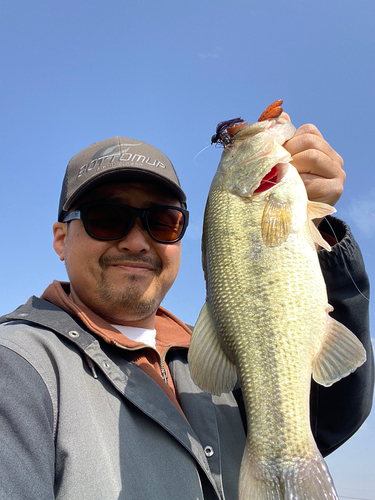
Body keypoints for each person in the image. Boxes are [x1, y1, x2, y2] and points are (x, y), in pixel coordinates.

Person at [0, 123, 373, 500]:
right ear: (61, 239)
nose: (135, 241)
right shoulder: (15, 366)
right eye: (106, 218)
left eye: (162, 221)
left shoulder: (213, 351)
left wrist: (317, 228)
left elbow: (328, 417)